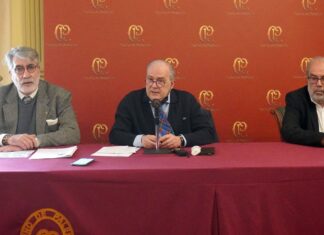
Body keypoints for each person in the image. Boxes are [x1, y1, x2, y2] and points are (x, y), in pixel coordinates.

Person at [109, 59, 217, 149]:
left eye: (160, 81)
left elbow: (208, 132)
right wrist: (140, 140)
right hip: (144, 163)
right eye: (150, 80)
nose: (154, 86)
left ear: (172, 84)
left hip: (180, 162)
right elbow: (115, 134)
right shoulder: (131, 100)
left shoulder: (187, 100)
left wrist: (180, 139)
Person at [0, 46, 80, 152]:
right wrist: (8, 139)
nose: (26, 75)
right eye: (19, 69)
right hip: (9, 162)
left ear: (38, 70)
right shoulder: (2, 95)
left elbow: (72, 133)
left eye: (31, 67)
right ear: (11, 74)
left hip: (44, 162)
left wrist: (33, 142)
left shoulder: (58, 95)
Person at [281, 56, 324, 146]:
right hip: (309, 154)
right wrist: (321, 139)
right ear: (307, 78)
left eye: (323, 78)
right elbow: (289, 131)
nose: (319, 84)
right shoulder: (296, 98)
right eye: (314, 78)